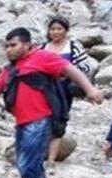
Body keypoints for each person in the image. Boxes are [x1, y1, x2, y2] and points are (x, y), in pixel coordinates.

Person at [0, 27, 103, 178]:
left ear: (27, 44)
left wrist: (90, 90)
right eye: (6, 46)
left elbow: (71, 70)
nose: (9, 50)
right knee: (32, 165)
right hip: (21, 123)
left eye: (13, 45)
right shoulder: (11, 69)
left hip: (39, 120)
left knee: (26, 165)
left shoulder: (42, 57)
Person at [41, 16, 95, 165]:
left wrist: (70, 73)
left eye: (59, 29)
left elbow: (87, 66)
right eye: (53, 29)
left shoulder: (73, 47)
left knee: (58, 121)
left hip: (64, 90)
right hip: (44, 89)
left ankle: (51, 159)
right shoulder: (43, 47)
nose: (55, 32)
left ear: (66, 30)